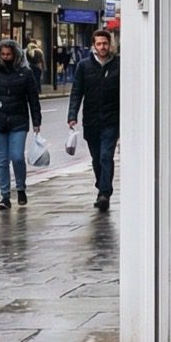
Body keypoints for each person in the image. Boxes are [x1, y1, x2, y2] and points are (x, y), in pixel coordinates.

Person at [0, 37, 41, 210]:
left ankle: (20, 188)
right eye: (3, 54)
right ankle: (4, 196)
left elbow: (33, 99)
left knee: (17, 156)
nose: (5, 57)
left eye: (9, 54)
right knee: (2, 160)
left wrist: (36, 121)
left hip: (18, 121)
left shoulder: (25, 73)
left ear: (16, 55)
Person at [68, 25, 120, 212]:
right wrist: (72, 115)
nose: (103, 47)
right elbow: (77, 92)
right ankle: (102, 185)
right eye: (99, 44)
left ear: (110, 44)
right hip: (91, 120)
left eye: (105, 43)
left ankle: (104, 193)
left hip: (112, 120)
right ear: (93, 45)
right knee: (97, 158)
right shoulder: (84, 66)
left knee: (106, 156)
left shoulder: (118, 65)